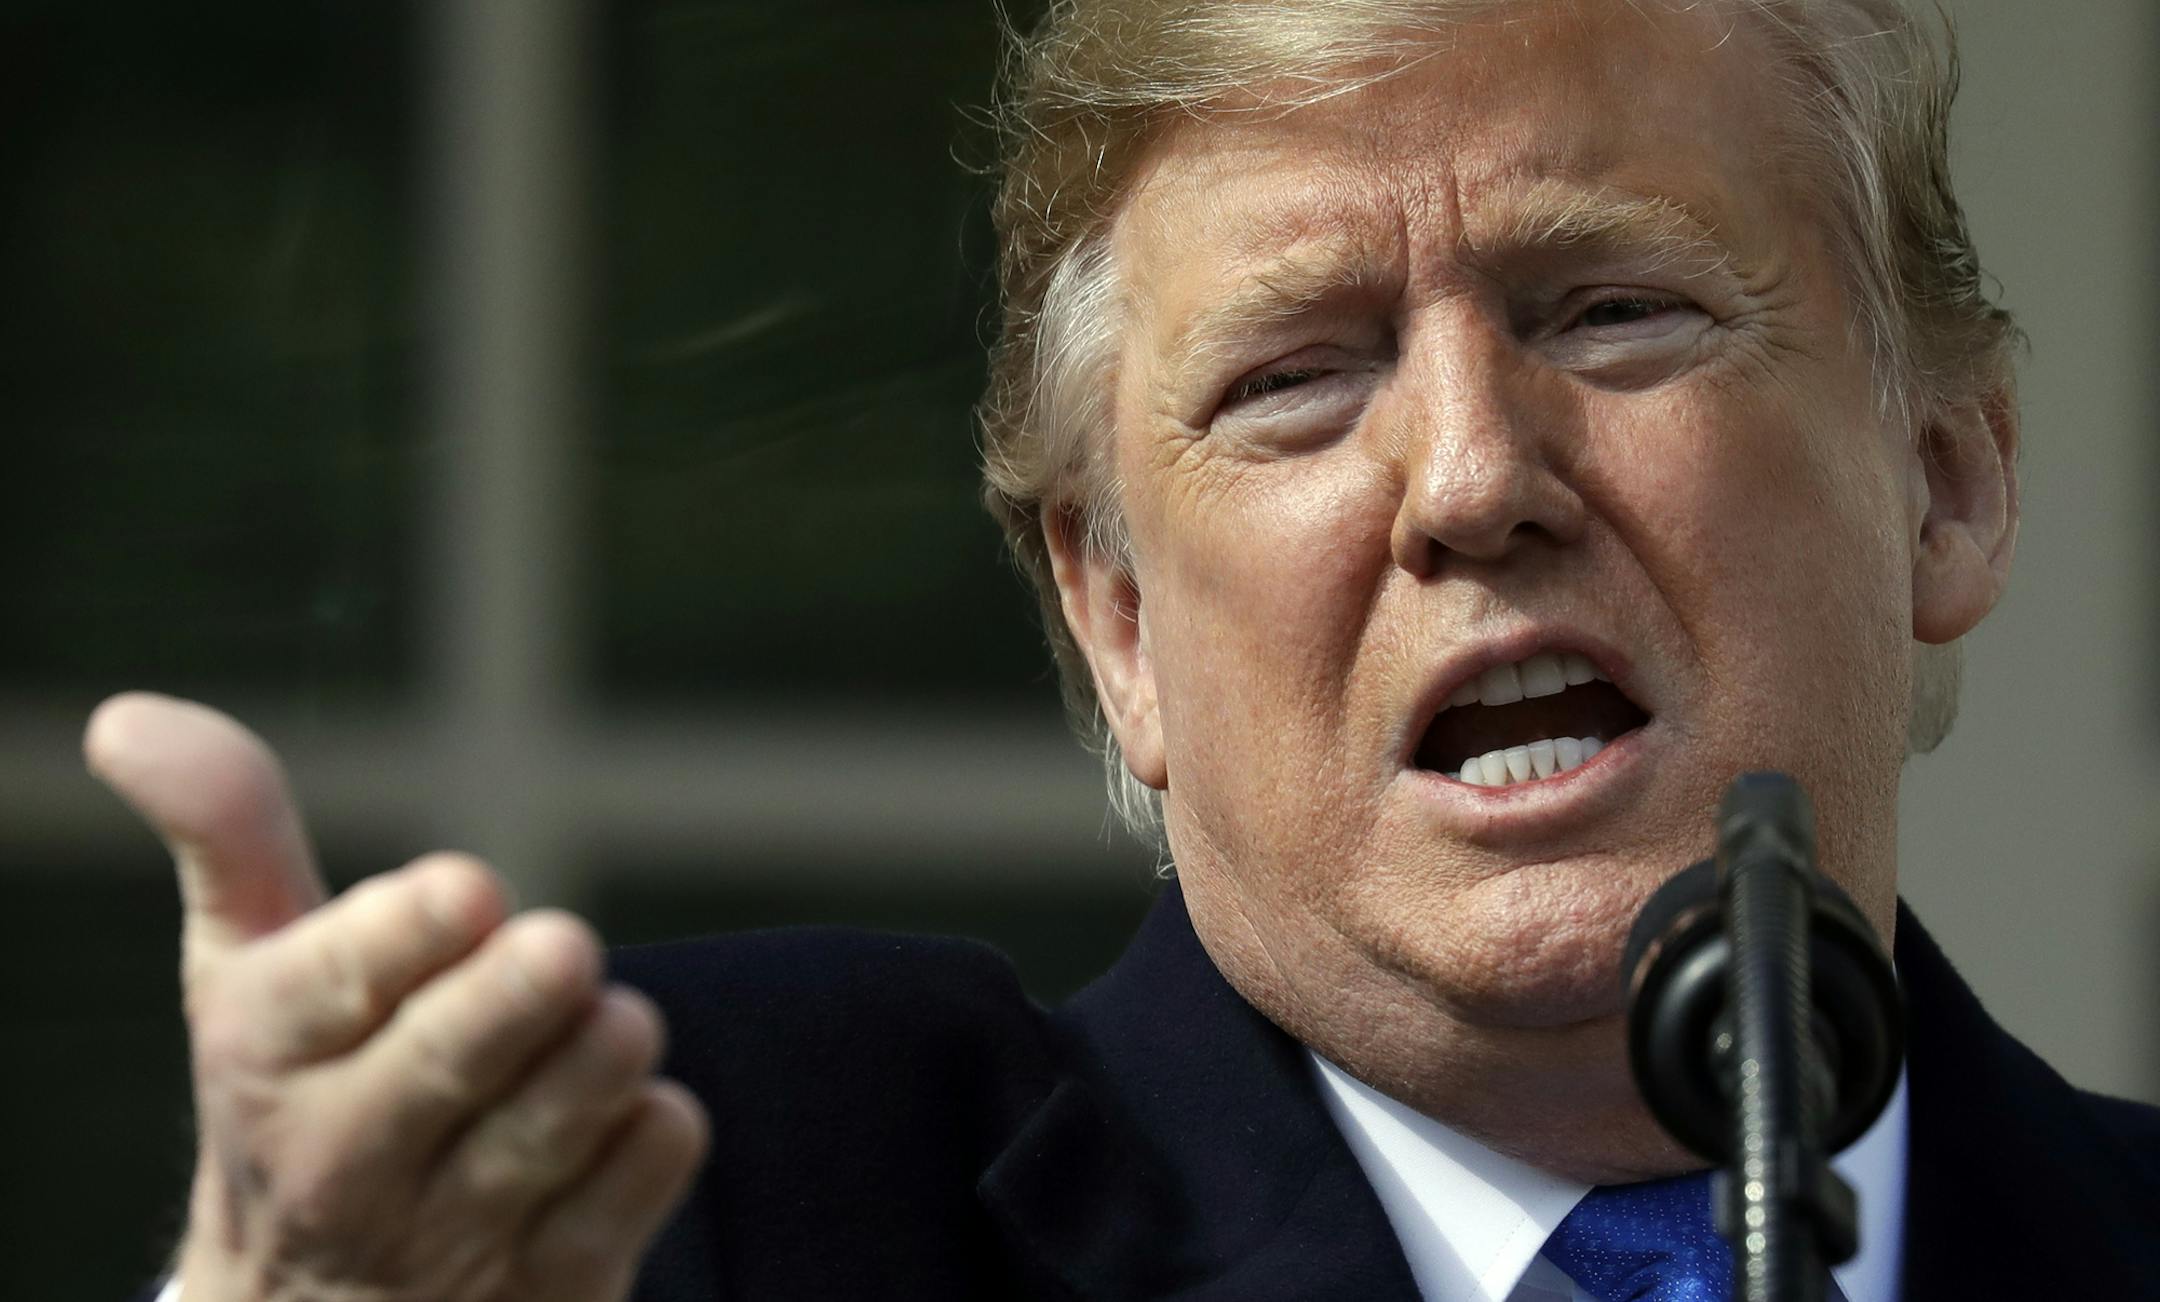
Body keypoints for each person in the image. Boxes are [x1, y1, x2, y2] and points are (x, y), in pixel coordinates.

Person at [97, 1, 2160, 1299]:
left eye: (1614, 309)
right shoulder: (697, 1198)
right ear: (1118, 625)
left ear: (1948, 478)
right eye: (1295, 380)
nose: (1470, 480)